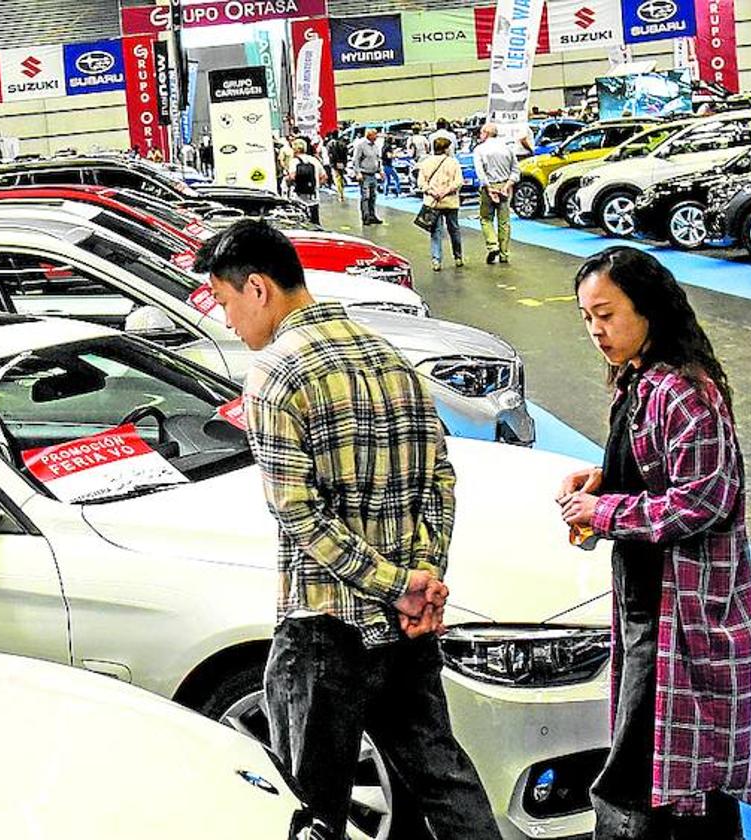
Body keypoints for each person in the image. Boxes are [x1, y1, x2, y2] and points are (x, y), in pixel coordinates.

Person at [194, 219, 498, 840]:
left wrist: (394, 585)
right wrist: (422, 577)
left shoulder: (276, 374)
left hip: (324, 631)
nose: (226, 320)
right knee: (444, 779)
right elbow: (439, 477)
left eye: (223, 301)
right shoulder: (386, 354)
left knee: (308, 806)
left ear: (257, 289)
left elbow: (299, 515)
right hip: (406, 630)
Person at [557, 246, 751, 839]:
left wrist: (602, 509)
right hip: (652, 605)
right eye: (586, 317)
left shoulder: (680, 391)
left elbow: (703, 500)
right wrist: (604, 479)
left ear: (648, 309)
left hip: (682, 613)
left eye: (607, 313)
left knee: (656, 774)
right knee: (677, 771)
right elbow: (659, 475)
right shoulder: (640, 381)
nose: (596, 330)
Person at [472, 123, 519, 264]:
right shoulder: (508, 148)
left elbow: (480, 173)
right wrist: (507, 185)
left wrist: (488, 188)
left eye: (481, 133)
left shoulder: (479, 149)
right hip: (505, 185)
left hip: (489, 187)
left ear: (486, 133)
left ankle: (493, 245)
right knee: (504, 221)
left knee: (486, 219)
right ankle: (504, 253)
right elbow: (516, 170)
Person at [418, 137, 464, 271]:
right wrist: (446, 191)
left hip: (433, 202)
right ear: (446, 148)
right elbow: (459, 181)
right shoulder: (453, 162)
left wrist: (432, 192)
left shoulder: (426, 163)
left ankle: (436, 260)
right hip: (450, 202)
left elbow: (421, 183)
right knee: (454, 230)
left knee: (435, 232)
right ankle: (458, 257)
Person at [286, 138, 327, 224]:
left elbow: (292, 177)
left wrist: (287, 180)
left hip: (297, 198)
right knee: (315, 223)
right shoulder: (314, 160)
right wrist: (316, 186)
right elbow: (324, 177)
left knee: (299, 224)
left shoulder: (294, 161)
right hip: (313, 198)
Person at [350, 127, 383, 225]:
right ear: (369, 135)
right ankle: (366, 217)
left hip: (373, 175)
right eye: (375, 135)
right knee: (366, 197)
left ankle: (373, 215)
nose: (376, 136)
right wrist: (357, 172)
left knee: (373, 196)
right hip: (364, 175)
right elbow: (355, 160)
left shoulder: (376, 146)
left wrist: (381, 171)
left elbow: (378, 159)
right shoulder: (361, 146)